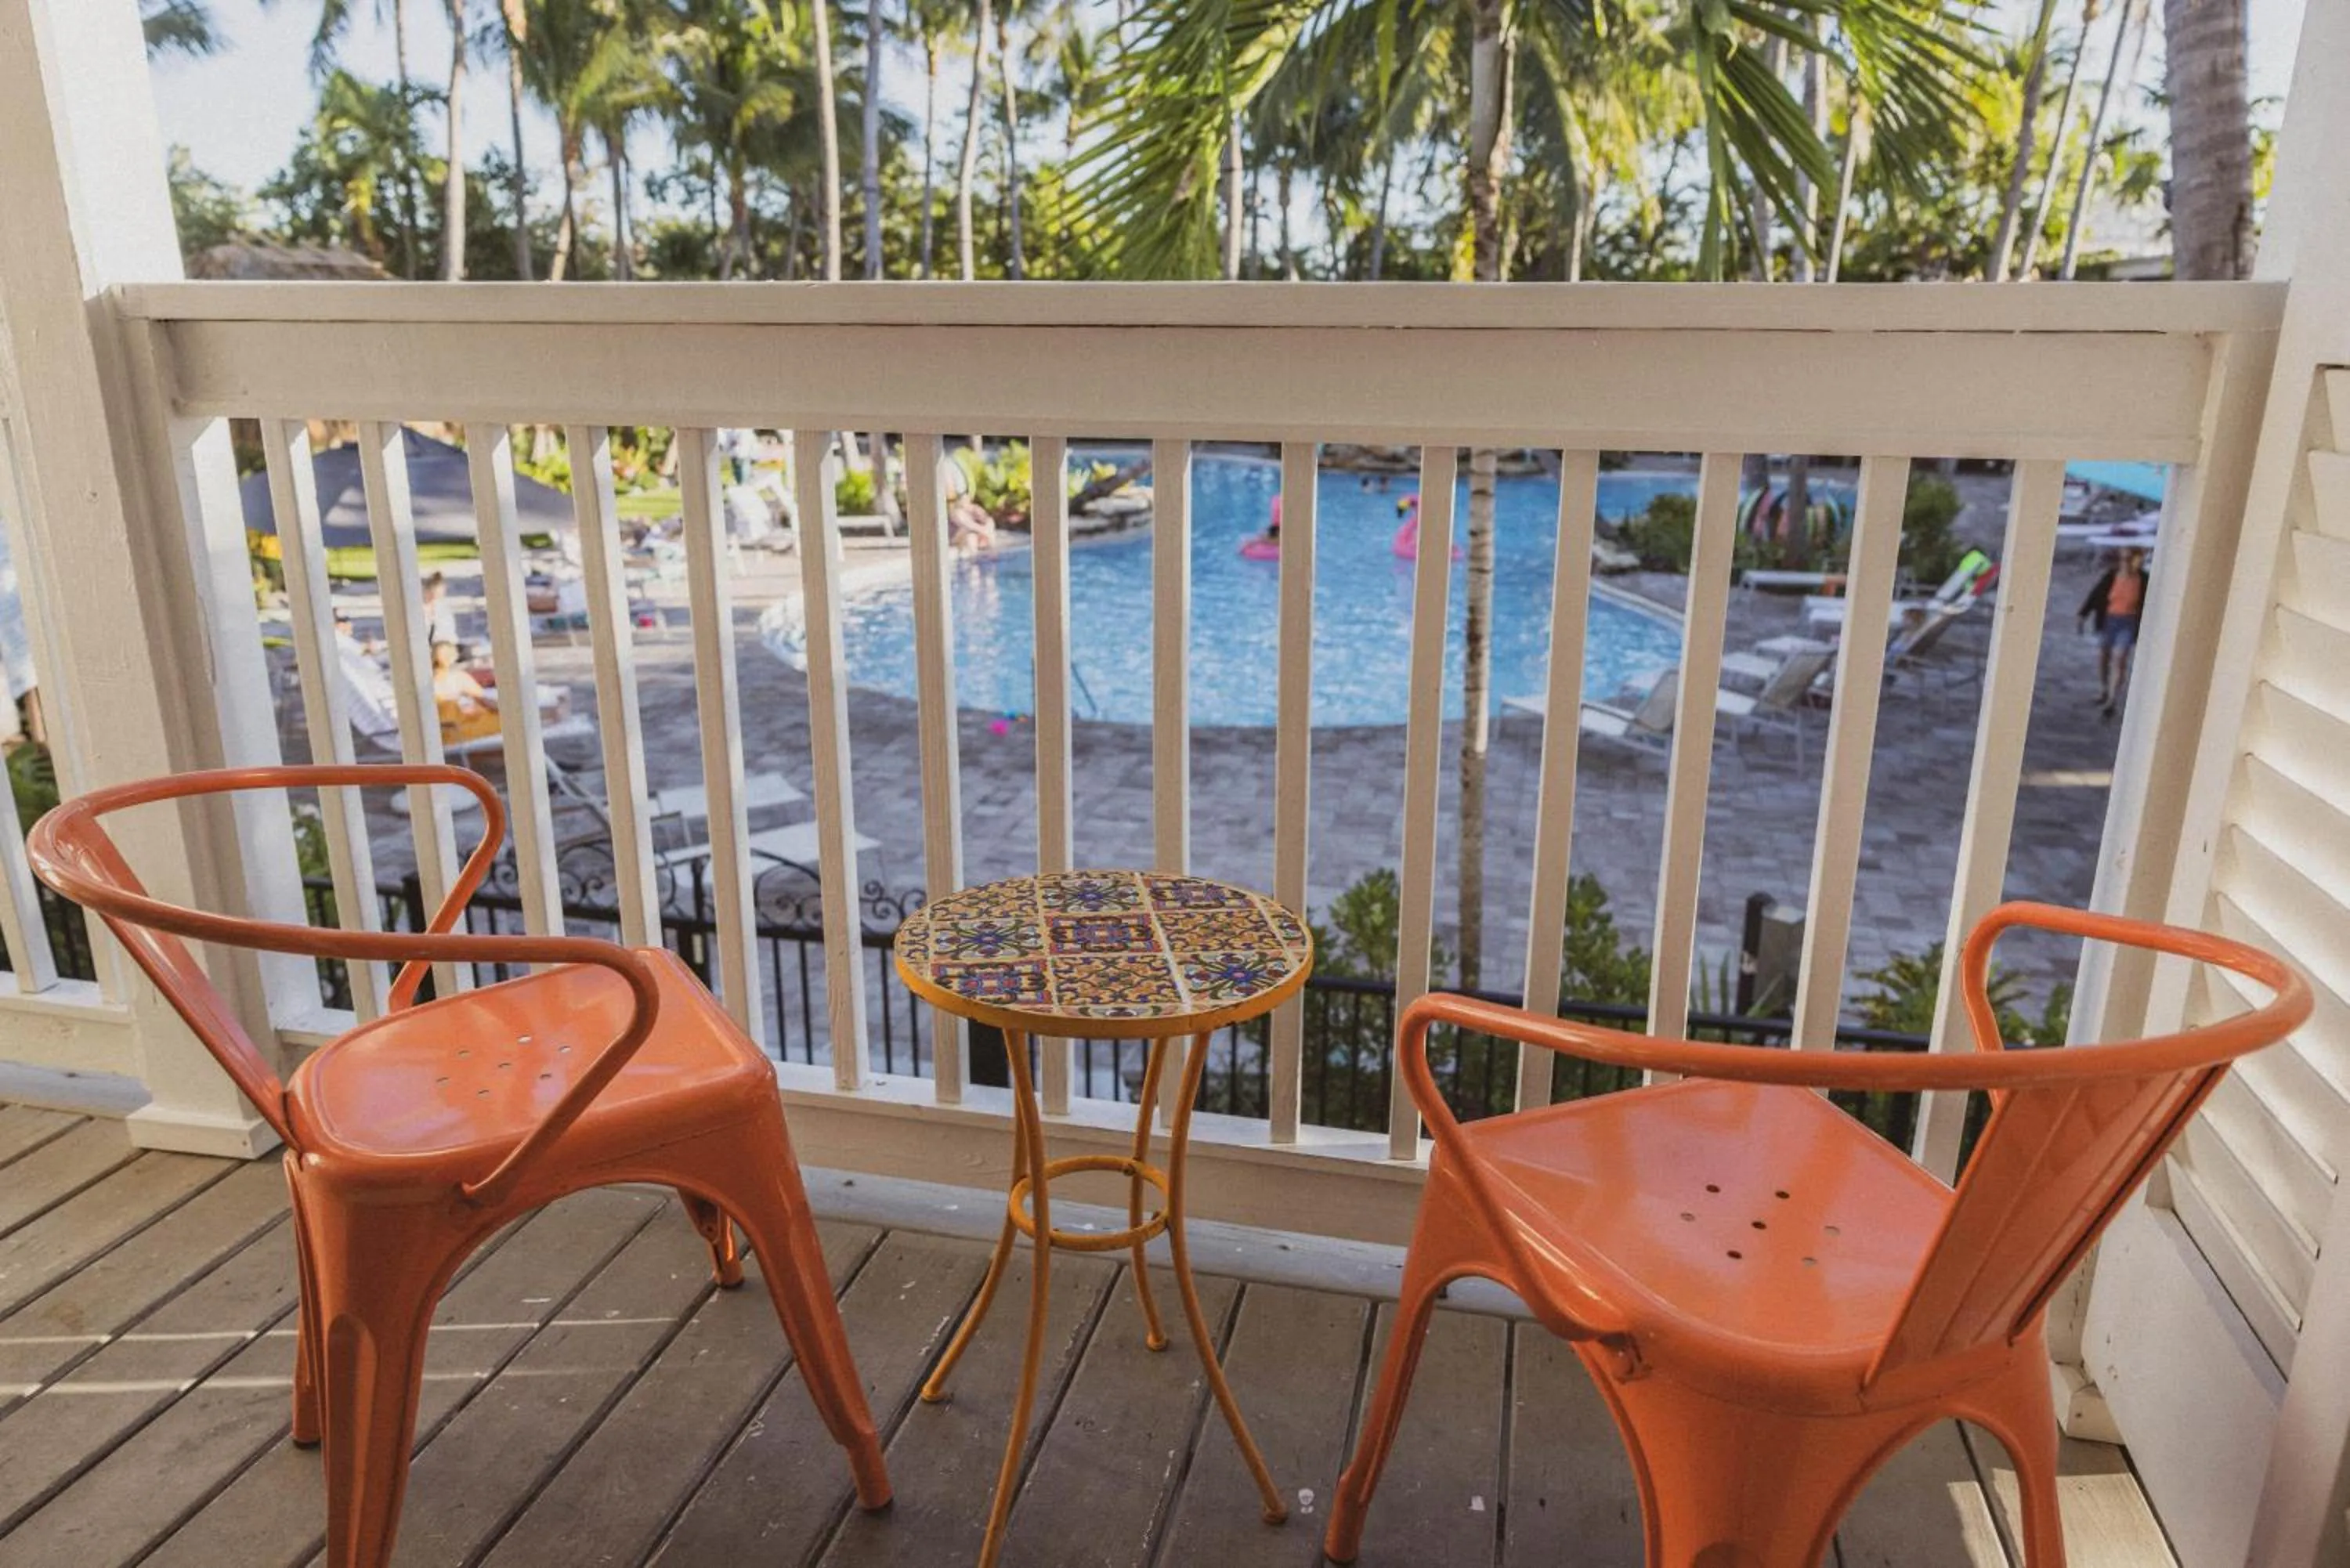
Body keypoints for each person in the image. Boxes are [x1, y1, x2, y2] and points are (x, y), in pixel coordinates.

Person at [2077, 546, 2148, 719]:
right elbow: (2096, 596)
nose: (2127, 563)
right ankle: (2104, 689)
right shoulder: (2111, 577)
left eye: (2130, 559)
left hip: (2128, 622)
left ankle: (2112, 699)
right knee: (2104, 657)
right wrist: (2082, 615)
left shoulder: (2144, 580)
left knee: (2119, 658)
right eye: (2123, 559)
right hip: (2109, 621)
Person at [429, 640, 500, 744]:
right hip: (457, 733)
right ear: (452, 658)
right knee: (501, 720)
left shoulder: (423, 682)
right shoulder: (457, 678)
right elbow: (484, 701)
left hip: (437, 735)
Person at [420, 571, 461, 650]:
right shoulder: (420, 609)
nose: (434, 599)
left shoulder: (442, 607)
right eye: (432, 595)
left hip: (446, 646)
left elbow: (450, 634)